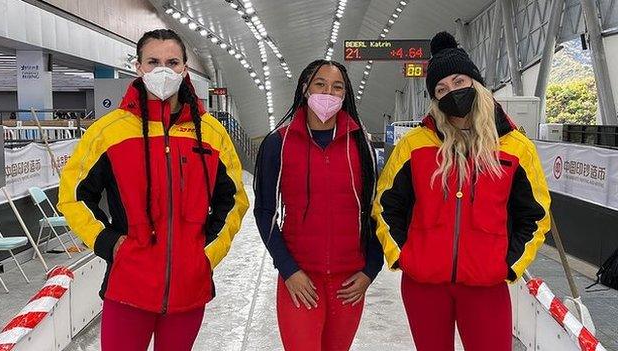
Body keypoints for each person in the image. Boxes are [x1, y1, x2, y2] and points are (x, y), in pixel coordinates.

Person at [57, 29, 249, 351]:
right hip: (128, 286)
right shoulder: (109, 131)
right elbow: (73, 195)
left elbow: (233, 200)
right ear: (139, 67)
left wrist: (206, 252)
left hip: (189, 291)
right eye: (153, 61)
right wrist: (108, 241)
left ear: (185, 69)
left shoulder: (211, 133)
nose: (163, 70)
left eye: (172, 62)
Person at [372, 32, 551, 351]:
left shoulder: (514, 148)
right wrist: (404, 256)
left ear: (476, 83)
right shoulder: (415, 145)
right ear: (434, 98)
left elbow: (535, 216)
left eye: (458, 81)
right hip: (424, 286)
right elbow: (386, 207)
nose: (451, 92)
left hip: (486, 286)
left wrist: (508, 265)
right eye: (441, 89)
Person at [254, 59, 383, 351]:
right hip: (300, 281)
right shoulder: (279, 144)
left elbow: (377, 211)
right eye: (320, 84)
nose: (329, 92)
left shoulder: (360, 144)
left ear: (345, 95)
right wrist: (288, 269)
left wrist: (370, 270)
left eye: (337, 87)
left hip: (348, 283)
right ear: (305, 89)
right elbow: (265, 212)